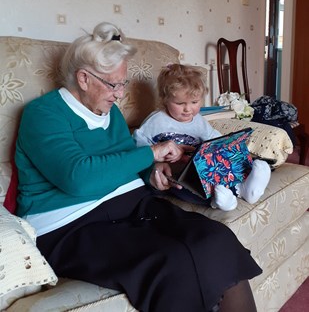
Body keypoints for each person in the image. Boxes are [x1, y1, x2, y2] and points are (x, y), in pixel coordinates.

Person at [15, 22, 262, 312]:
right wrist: (151, 153)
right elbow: (78, 177)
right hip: (71, 224)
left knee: (215, 238)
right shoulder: (43, 114)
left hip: (133, 204)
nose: (120, 94)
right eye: (113, 84)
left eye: (123, 84)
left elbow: (126, 160)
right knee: (174, 262)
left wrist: (153, 172)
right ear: (83, 78)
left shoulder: (111, 113)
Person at [133, 63, 271, 211]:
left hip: (202, 169)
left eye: (194, 102)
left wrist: (229, 147)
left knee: (224, 164)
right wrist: (154, 160)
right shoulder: (156, 121)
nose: (188, 109)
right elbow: (137, 145)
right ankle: (219, 202)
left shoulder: (198, 120)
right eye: (180, 103)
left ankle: (244, 189)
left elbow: (214, 138)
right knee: (183, 188)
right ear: (165, 99)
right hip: (176, 174)